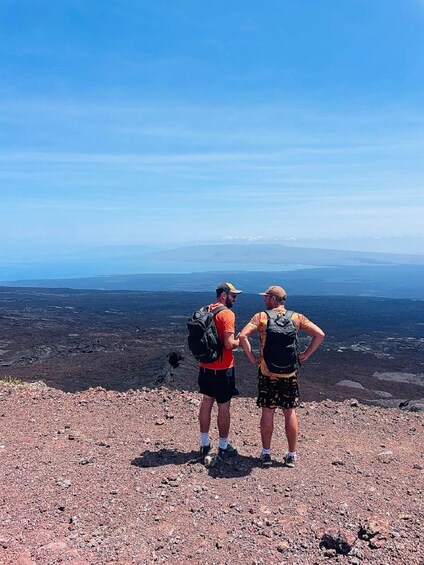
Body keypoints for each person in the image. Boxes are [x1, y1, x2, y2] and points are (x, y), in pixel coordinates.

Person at [239, 285, 324, 468]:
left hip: (267, 372)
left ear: (273, 299)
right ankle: (292, 454)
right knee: (289, 412)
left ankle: (266, 453)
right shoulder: (297, 317)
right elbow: (319, 334)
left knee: (268, 411)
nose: (264, 300)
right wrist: (305, 355)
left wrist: (253, 358)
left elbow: (243, 335)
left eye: (266, 297)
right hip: (289, 373)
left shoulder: (260, 317)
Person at [198, 282, 242, 459]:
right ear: (224, 295)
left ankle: (204, 444)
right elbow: (229, 344)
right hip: (223, 368)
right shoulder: (227, 314)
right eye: (233, 296)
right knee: (224, 406)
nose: (235, 299)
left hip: (204, 366)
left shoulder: (204, 310)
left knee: (206, 401)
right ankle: (223, 446)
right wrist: (239, 340)